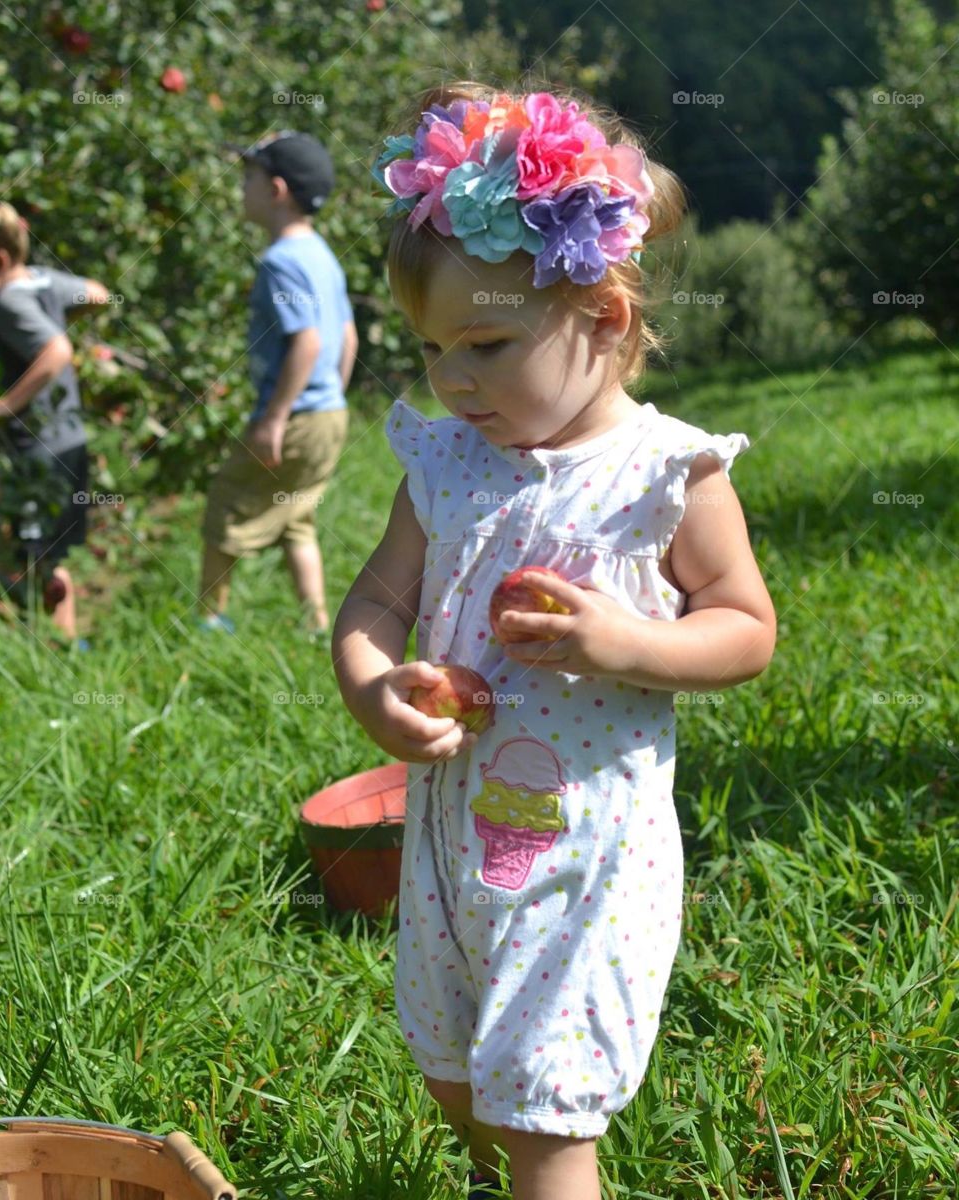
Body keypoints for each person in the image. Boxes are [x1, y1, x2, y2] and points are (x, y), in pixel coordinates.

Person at [332, 83, 777, 1200]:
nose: (453, 378)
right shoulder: (444, 461)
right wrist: (376, 687)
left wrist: (627, 644)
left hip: (590, 855)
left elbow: (745, 630)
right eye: (433, 347)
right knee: (455, 1078)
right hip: (449, 848)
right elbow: (376, 603)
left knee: (545, 1115)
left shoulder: (665, 474)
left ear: (607, 322)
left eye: (485, 342)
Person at [198, 130, 358, 638]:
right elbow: (346, 336)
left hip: (293, 416)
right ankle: (315, 623)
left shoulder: (280, 262)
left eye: (248, 178)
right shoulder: (321, 254)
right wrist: (329, 396)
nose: (240, 188)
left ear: (277, 190)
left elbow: (307, 342)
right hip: (328, 413)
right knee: (295, 516)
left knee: (227, 505)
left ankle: (208, 621)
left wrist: (276, 416)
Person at [0, 201, 110, 647]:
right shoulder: (42, 280)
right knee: (51, 549)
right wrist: (59, 314)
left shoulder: (7, 300)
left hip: (36, 447)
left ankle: (56, 648)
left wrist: (6, 405)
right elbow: (98, 293)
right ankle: (65, 646)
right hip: (69, 438)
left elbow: (57, 352)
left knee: (34, 548)